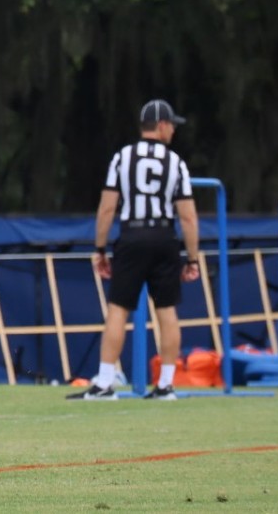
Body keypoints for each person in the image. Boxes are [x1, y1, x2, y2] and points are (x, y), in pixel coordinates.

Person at [67, 99, 201, 402]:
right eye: (172, 126)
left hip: (132, 234)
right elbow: (188, 216)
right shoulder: (175, 162)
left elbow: (107, 208)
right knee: (167, 310)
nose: (174, 132)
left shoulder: (123, 158)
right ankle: (166, 385)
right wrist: (192, 257)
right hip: (164, 236)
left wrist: (100, 248)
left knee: (118, 309)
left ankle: (104, 382)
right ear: (163, 125)